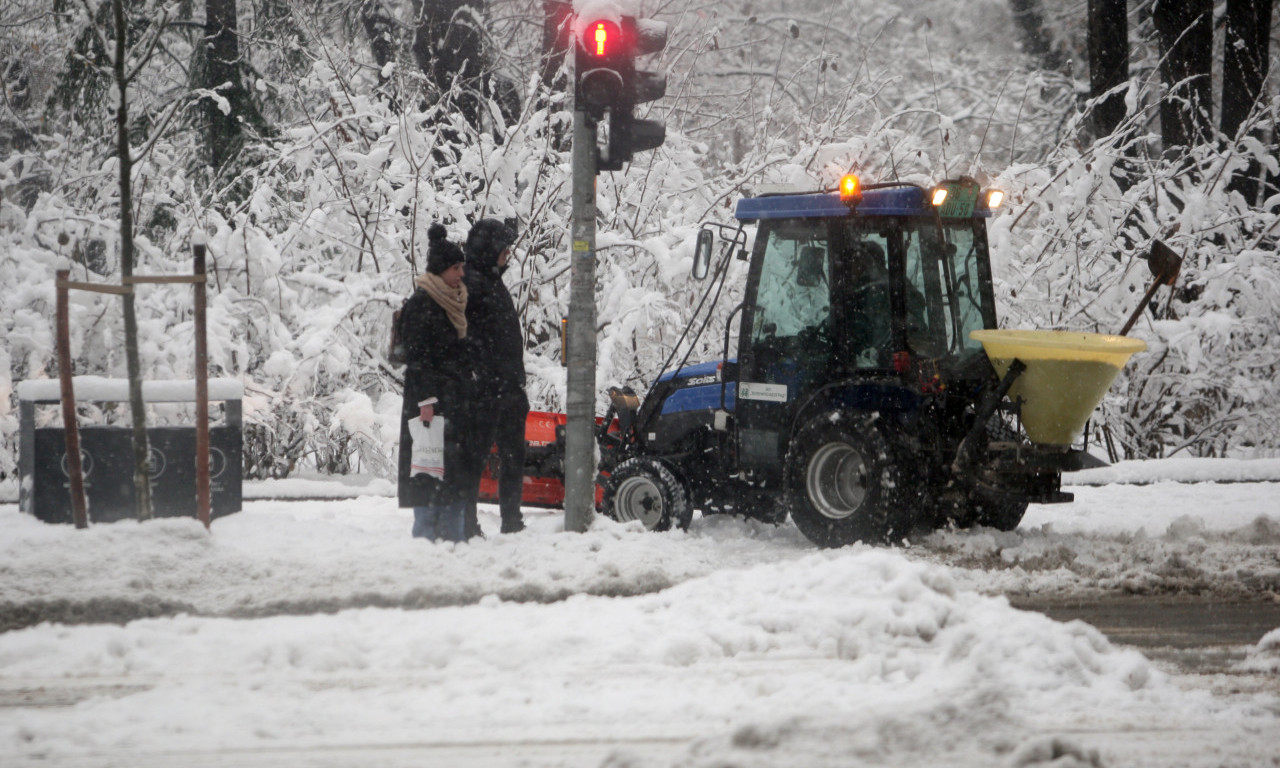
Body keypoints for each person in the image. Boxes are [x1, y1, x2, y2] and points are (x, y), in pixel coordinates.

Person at [397, 224, 471, 542]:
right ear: (441, 270)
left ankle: (450, 536)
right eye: (456, 268)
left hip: (453, 400)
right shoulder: (423, 303)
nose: (461, 274)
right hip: (431, 405)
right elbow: (419, 358)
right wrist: (426, 401)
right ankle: (426, 538)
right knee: (428, 470)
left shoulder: (452, 301)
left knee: (450, 472)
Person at [458, 217, 528, 536]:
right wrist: (481, 374)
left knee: (514, 454)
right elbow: (463, 337)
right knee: (475, 456)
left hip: (508, 386)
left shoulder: (492, 280)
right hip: (486, 389)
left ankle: (512, 520)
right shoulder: (470, 284)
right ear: (490, 249)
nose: (508, 254)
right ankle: (466, 523)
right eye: (504, 248)